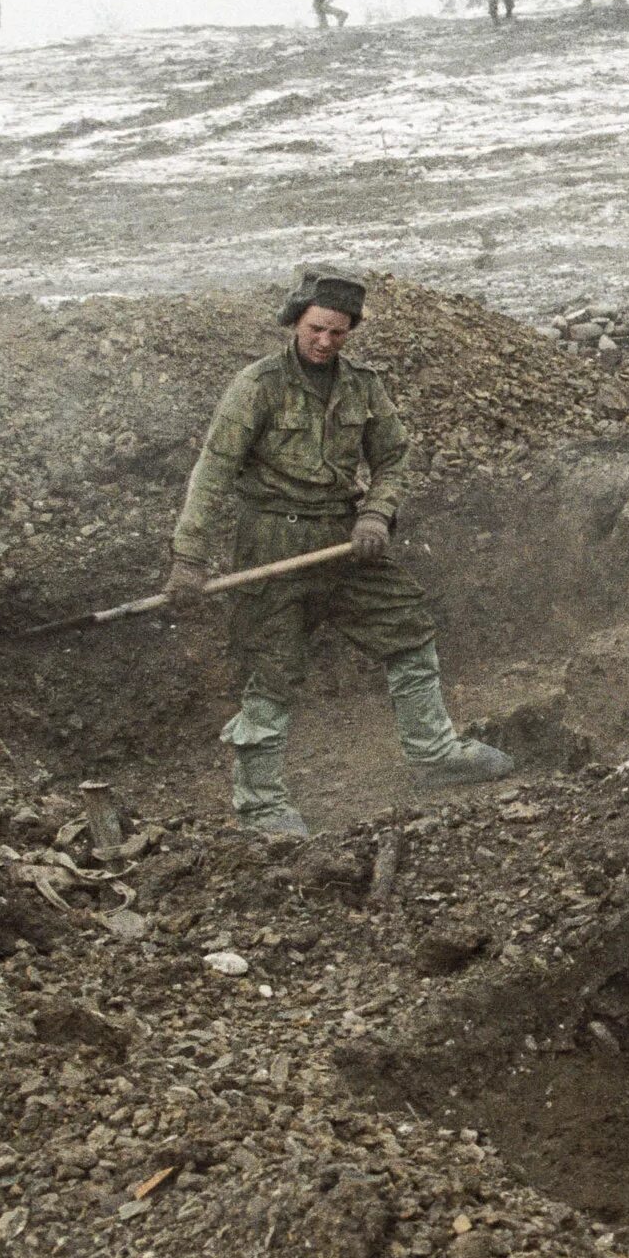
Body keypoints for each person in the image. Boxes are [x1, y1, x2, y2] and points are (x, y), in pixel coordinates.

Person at [166, 269, 512, 837]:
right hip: (272, 540)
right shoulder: (257, 386)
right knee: (271, 667)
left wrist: (376, 514)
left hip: (343, 538)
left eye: (339, 332)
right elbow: (213, 472)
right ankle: (261, 805)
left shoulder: (362, 386)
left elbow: (394, 457)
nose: (326, 341)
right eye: (316, 329)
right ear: (295, 321)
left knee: (408, 625)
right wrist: (189, 556)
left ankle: (434, 753)